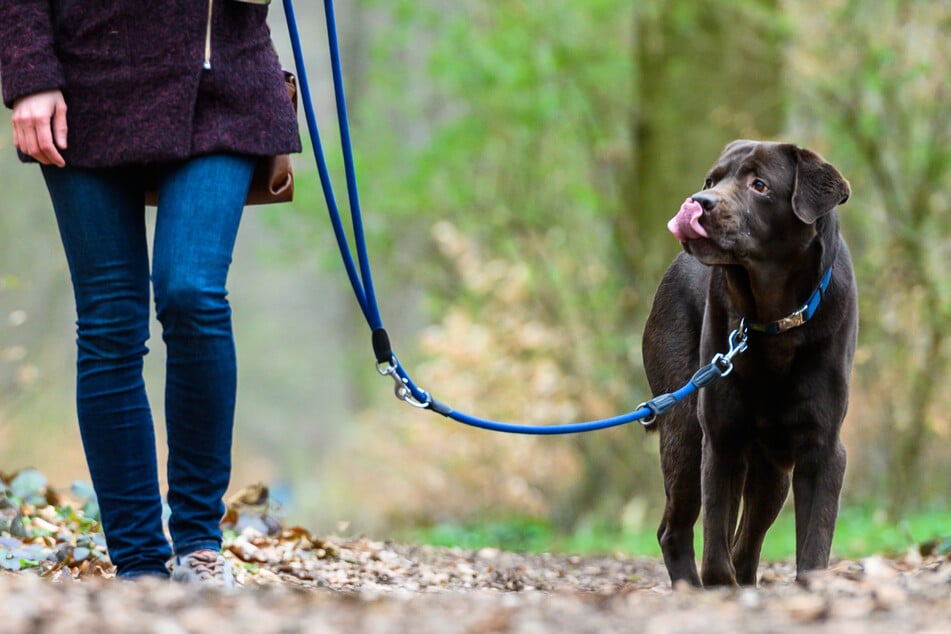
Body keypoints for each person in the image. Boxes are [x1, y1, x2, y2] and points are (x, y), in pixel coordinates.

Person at [0, 1, 301, 584]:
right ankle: (139, 563)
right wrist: (29, 73)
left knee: (192, 291)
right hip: (85, 80)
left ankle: (199, 545)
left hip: (221, 79)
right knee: (109, 320)